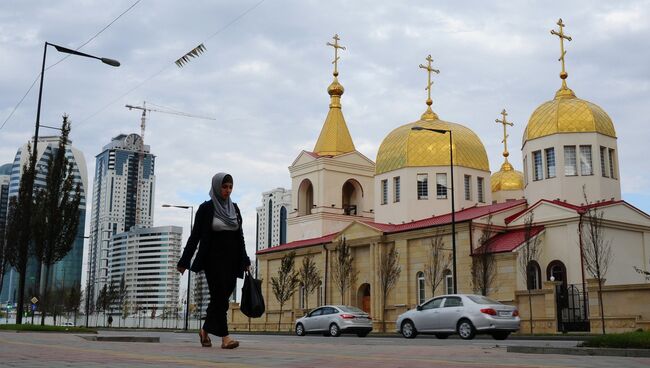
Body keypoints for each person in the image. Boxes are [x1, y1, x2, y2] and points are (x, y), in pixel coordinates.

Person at [177, 172, 251, 349]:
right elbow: (195, 236)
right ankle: (225, 338)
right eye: (224, 187)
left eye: (230, 187)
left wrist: (245, 259)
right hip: (213, 260)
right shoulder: (206, 209)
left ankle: (204, 331)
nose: (227, 190)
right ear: (217, 187)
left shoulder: (235, 209)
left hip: (232, 261)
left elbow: (240, 237)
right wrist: (184, 261)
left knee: (221, 299)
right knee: (220, 297)